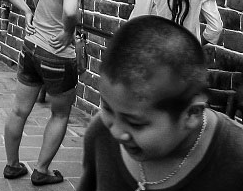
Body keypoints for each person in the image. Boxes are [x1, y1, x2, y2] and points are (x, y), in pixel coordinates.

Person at [77, 15, 243, 191]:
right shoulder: (100, 134)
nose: (116, 132)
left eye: (135, 123)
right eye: (107, 109)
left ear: (191, 113)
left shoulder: (235, 158)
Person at [0, 0, 87, 186]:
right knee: (60, 113)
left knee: (18, 110)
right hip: (58, 56)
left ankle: (13, 165)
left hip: (31, 48)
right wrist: (67, 31)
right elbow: (70, 10)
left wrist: (27, 10)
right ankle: (42, 170)